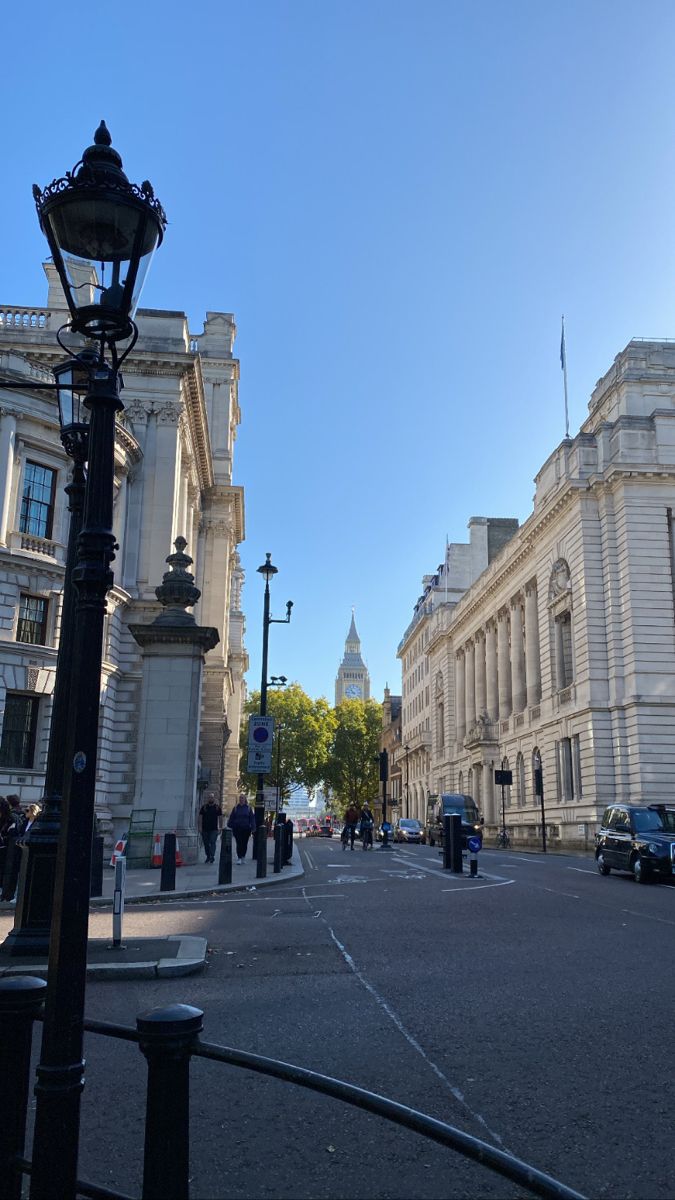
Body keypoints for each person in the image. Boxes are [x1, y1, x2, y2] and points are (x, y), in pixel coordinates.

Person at [228, 794, 256, 864]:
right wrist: (231, 825)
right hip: (237, 829)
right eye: (240, 798)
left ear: (245, 799)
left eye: (242, 798)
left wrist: (253, 828)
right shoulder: (235, 808)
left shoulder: (248, 808)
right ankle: (239, 857)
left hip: (246, 829)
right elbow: (231, 818)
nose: (241, 799)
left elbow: (252, 819)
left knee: (244, 843)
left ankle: (243, 856)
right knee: (239, 843)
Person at [198, 792, 223, 864]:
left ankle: (212, 856)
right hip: (205, 829)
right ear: (208, 798)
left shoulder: (217, 808)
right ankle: (208, 856)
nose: (210, 798)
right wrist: (200, 827)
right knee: (206, 843)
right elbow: (200, 818)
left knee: (212, 842)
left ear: (214, 798)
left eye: (212, 797)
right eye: (209, 797)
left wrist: (220, 828)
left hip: (214, 829)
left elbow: (220, 818)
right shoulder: (204, 807)